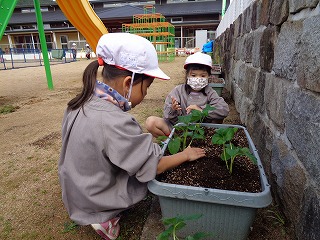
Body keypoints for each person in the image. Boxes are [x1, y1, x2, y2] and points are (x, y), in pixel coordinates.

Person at [58, 33, 206, 240]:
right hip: (93, 200)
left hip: (77, 187)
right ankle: (105, 218)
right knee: (142, 178)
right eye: (146, 88)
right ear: (128, 83)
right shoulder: (113, 121)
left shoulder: (80, 101)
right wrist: (186, 155)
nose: (145, 95)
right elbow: (153, 166)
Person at [146, 52, 229, 137]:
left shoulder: (210, 92)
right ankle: (173, 141)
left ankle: (204, 142)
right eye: (193, 75)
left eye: (203, 76)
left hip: (201, 131)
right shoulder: (178, 91)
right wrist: (173, 109)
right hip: (180, 128)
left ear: (209, 76)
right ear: (187, 75)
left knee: (218, 117)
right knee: (151, 122)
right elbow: (167, 116)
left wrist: (201, 110)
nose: (198, 79)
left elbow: (224, 109)